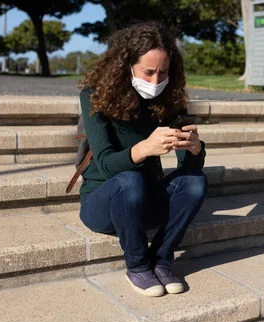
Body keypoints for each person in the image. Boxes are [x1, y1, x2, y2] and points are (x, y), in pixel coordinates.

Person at [77, 21, 207, 297]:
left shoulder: (169, 99)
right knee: (128, 180)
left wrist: (195, 150)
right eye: (148, 72)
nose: (155, 81)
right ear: (127, 65)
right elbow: (105, 163)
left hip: (145, 200)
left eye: (163, 72)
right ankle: (137, 266)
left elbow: (187, 167)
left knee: (195, 182)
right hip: (103, 200)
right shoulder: (95, 95)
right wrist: (145, 148)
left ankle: (162, 260)